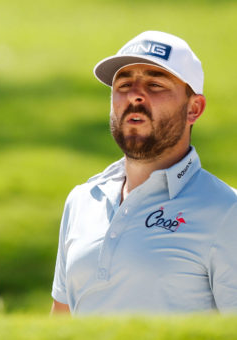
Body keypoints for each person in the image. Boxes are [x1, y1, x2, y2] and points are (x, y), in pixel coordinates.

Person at [51, 31, 237, 315]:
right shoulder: (82, 200)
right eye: (124, 84)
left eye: (155, 84)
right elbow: (60, 322)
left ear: (194, 109)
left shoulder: (227, 211)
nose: (135, 95)